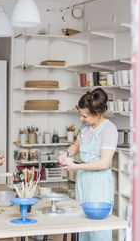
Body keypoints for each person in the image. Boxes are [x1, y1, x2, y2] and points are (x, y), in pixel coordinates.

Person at [57, 88, 118, 241]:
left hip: (99, 184)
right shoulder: (85, 127)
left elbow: (104, 163)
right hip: (83, 182)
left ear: (97, 113)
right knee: (82, 227)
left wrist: (76, 167)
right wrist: (65, 153)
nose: (81, 118)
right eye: (80, 114)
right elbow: (76, 146)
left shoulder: (109, 129)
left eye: (85, 115)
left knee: (98, 231)